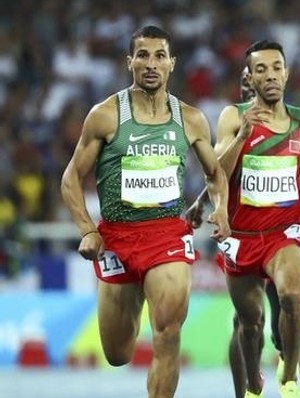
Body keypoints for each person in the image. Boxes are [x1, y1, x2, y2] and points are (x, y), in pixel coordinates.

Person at [60, 25, 231, 398]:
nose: (151, 63)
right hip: (117, 240)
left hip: (167, 234)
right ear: (129, 62)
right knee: (118, 353)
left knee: (168, 333)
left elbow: (215, 172)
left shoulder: (191, 118)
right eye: (142, 55)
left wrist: (220, 209)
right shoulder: (105, 116)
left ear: (172, 63)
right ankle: (134, 292)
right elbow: (71, 177)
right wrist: (88, 229)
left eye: (159, 56)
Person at [192, 39, 300, 398]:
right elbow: (215, 172)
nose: (270, 75)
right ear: (249, 77)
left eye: (276, 68)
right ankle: (253, 386)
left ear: (287, 73)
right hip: (242, 236)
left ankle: (290, 378)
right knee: (249, 325)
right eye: (261, 69)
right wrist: (242, 137)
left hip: (284, 231)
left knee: (291, 297)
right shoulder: (232, 117)